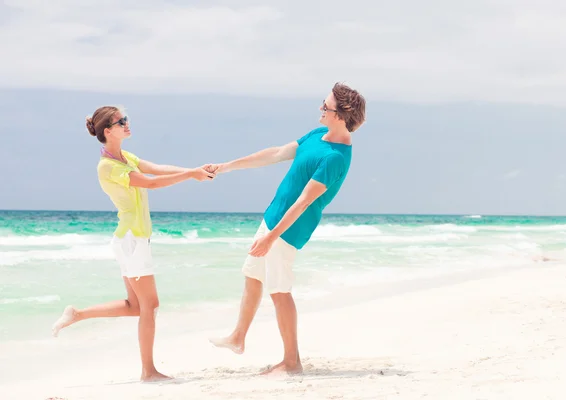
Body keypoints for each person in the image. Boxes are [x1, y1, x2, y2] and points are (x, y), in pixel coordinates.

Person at [207, 82, 366, 375]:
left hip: (287, 231)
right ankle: (238, 337)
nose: (321, 108)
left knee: (279, 291)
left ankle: (291, 361)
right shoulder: (319, 134)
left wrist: (272, 236)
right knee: (253, 274)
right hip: (272, 218)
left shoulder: (335, 157)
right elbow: (277, 153)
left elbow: (305, 201)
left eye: (326, 106)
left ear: (341, 115)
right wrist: (227, 166)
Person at [51, 106, 215, 382]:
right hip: (132, 239)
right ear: (108, 131)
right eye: (121, 121)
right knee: (149, 305)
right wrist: (191, 176)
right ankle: (148, 371)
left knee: (136, 306)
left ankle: (77, 314)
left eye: (126, 120)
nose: (127, 124)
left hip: (133, 238)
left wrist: (193, 170)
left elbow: (156, 169)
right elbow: (148, 183)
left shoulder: (124, 157)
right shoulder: (108, 167)